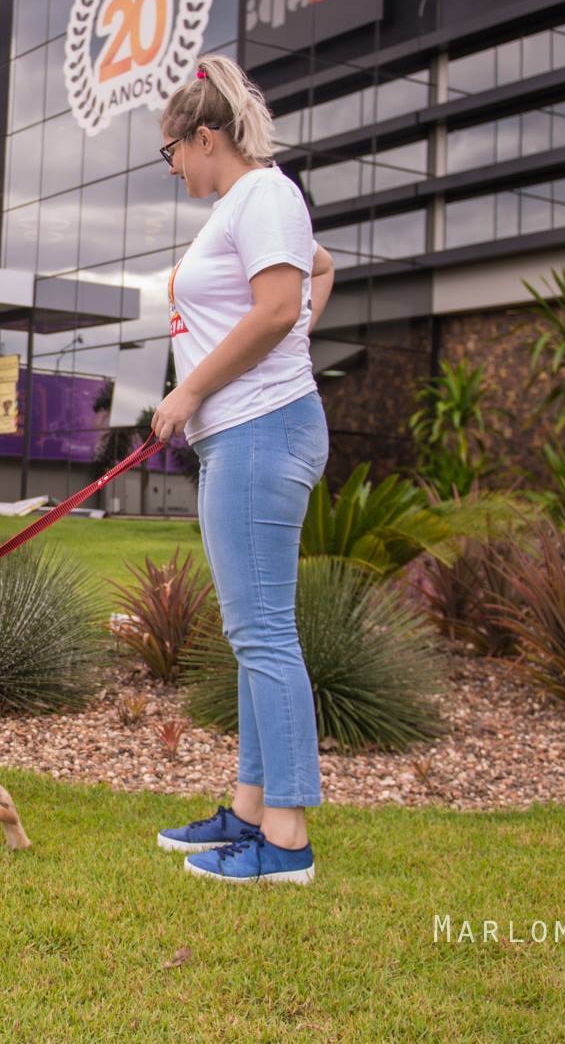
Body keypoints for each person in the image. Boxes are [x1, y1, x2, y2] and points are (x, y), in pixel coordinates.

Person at [147, 56, 331, 886]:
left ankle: (284, 843)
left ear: (205, 137)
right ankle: (250, 810)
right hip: (247, 432)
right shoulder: (249, 206)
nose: (173, 166)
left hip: (260, 432)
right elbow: (316, 275)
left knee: (264, 634)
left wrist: (189, 389)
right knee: (252, 631)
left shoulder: (264, 195)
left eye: (171, 151)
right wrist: (289, 350)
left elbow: (281, 304)